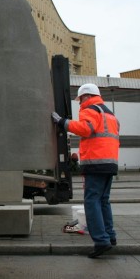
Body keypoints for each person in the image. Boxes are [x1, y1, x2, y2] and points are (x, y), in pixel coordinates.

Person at [52, 83, 120, 258]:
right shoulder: (109, 114)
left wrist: (62, 122)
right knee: (104, 201)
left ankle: (101, 241)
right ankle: (110, 237)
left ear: (86, 96)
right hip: (110, 163)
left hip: (95, 163)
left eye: (80, 98)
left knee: (92, 202)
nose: (80, 102)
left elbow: (85, 129)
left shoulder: (90, 109)